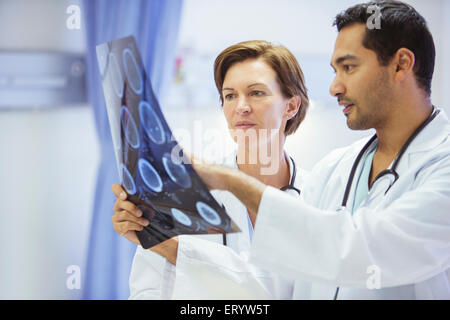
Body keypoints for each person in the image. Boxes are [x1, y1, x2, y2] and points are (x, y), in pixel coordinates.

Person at [193, 1, 450, 299]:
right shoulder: (335, 169)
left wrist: (230, 181)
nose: (334, 87)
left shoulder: (441, 166)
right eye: (335, 70)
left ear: (401, 64)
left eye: (349, 67)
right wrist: (165, 243)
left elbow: (364, 249)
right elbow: (277, 285)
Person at [111, 40, 310, 299]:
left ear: (291, 106)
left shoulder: (317, 197)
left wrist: (175, 249)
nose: (241, 106)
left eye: (256, 93)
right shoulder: (178, 195)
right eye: (230, 95)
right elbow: (146, 292)